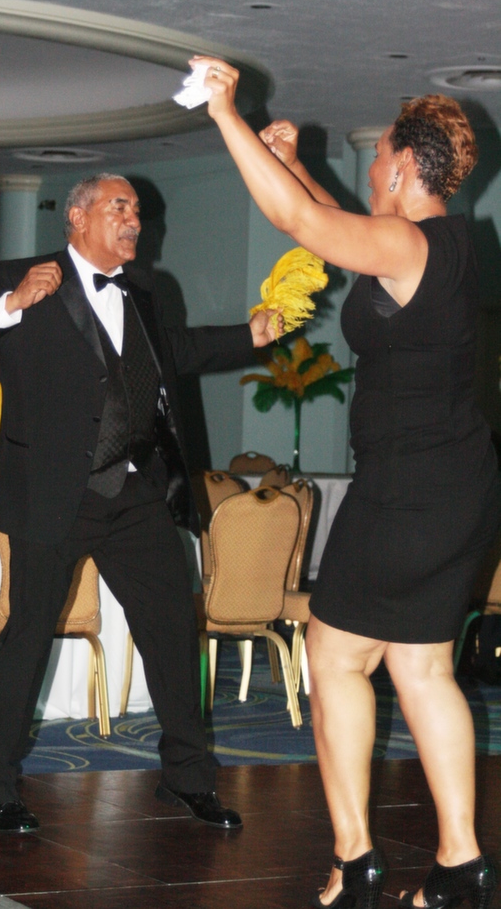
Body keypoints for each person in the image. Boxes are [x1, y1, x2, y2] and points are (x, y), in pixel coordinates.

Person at [191, 55, 501, 909]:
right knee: (423, 669)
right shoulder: (448, 244)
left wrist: (226, 114)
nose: (370, 171)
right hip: (459, 484)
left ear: (403, 168)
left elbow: (298, 220)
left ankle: (357, 861)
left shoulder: (406, 244)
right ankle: (460, 867)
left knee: (333, 657)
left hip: (405, 487)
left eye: (378, 159)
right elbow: (331, 223)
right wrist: (293, 160)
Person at [0, 172, 280, 835]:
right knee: (30, 634)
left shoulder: (142, 291)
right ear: (78, 217)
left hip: (137, 492)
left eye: (138, 210)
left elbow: (175, 352)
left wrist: (249, 335)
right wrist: (10, 304)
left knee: (173, 631)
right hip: (54, 494)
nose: (134, 220)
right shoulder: (18, 276)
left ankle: (187, 778)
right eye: (120, 207)